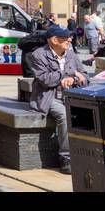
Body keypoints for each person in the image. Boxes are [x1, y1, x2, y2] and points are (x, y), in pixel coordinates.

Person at [25, 25, 87, 174]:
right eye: (66, 38)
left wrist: (74, 78)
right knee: (65, 115)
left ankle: (84, 154)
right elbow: (45, 80)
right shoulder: (38, 55)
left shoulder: (71, 53)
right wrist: (70, 74)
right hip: (48, 97)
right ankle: (66, 158)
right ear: (54, 40)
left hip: (71, 95)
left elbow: (85, 76)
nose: (70, 40)